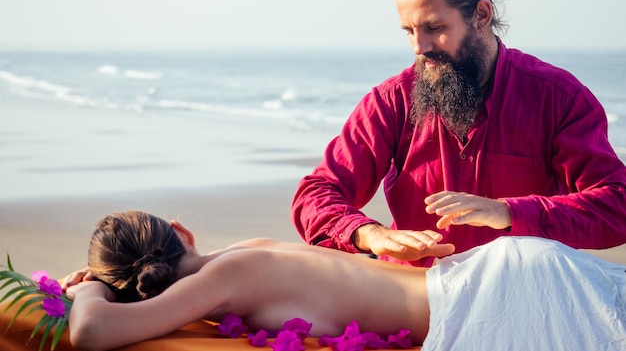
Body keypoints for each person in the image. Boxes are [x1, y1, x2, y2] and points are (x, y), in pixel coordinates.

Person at [290, 0, 626, 266]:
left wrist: (509, 212)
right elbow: (315, 194)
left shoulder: (558, 97)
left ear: (481, 15)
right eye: (408, 31)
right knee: (256, 258)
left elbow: (617, 207)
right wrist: (368, 234)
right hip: (409, 295)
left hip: (519, 293)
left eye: (434, 27)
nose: (418, 47)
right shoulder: (391, 100)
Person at [65, 210, 626, 351]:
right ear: (182, 231)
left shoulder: (227, 276)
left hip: (487, 301)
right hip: (500, 273)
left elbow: (91, 334)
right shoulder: (249, 249)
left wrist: (86, 288)